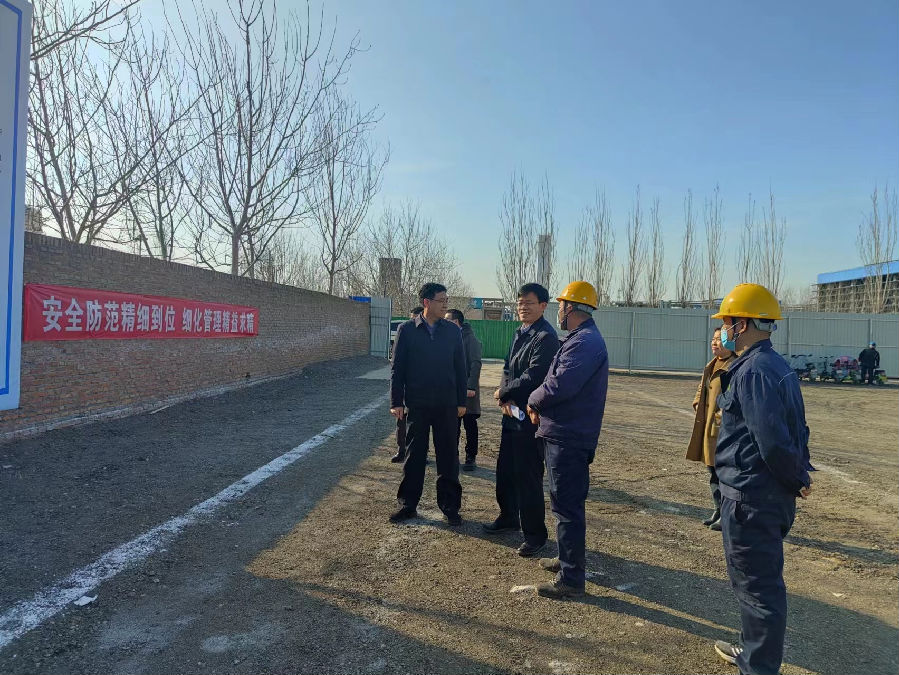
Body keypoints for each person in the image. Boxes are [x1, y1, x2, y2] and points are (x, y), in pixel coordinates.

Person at [711, 283, 814, 675]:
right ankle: (752, 652)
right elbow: (795, 431)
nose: (722, 329)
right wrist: (798, 476)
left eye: (726, 322)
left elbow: (771, 441)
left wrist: (796, 477)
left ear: (742, 324)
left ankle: (758, 667)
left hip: (752, 498)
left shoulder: (754, 371)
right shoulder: (773, 365)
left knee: (758, 589)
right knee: (755, 584)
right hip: (764, 495)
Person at [526, 281, 608, 599]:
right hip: (563, 433)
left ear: (570, 307)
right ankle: (565, 559)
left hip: (569, 438)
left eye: (560, 305)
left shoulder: (585, 342)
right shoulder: (579, 339)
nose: (558, 310)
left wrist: (533, 400)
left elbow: (560, 385)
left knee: (568, 507)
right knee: (563, 504)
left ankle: (571, 579)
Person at [486, 283, 559, 557]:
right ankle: (508, 516)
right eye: (519, 303)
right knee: (506, 469)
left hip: (530, 416)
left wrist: (504, 393)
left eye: (529, 303)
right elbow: (508, 368)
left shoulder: (545, 337)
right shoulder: (520, 332)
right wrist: (504, 397)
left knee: (528, 475)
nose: (523, 307)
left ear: (543, 306)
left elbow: (534, 375)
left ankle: (535, 534)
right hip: (511, 412)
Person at [389, 284, 467, 526]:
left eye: (446, 300)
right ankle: (408, 504)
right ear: (426, 302)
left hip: (446, 404)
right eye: (441, 300)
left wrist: (461, 401)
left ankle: (450, 507)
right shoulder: (407, 330)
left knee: (448, 456)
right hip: (418, 404)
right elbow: (397, 368)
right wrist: (396, 401)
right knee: (414, 455)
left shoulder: (452, 331)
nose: (445, 305)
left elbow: (460, 367)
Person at [686, 328, 736, 531]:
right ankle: (718, 509)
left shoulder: (733, 366)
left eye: (719, 339)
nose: (714, 343)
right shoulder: (712, 364)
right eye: (713, 339)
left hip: (722, 428)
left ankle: (727, 515)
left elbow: (732, 398)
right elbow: (703, 387)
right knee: (713, 471)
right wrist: (697, 401)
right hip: (708, 426)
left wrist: (720, 416)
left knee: (724, 473)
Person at [445, 309, 482, 471]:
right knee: (452, 425)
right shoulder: (448, 337)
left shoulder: (470, 339)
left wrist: (470, 386)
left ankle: (470, 457)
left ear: (456, 322)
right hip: (451, 390)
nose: (444, 322)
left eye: (447, 319)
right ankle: (452, 456)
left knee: (469, 424)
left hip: (467, 391)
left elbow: (476, 363)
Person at [391, 306, 424, 463]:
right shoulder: (405, 333)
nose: (413, 321)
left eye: (415, 318)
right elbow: (396, 366)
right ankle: (401, 449)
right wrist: (396, 399)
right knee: (401, 420)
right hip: (404, 387)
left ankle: (420, 451)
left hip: (419, 391)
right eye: (411, 318)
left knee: (419, 424)